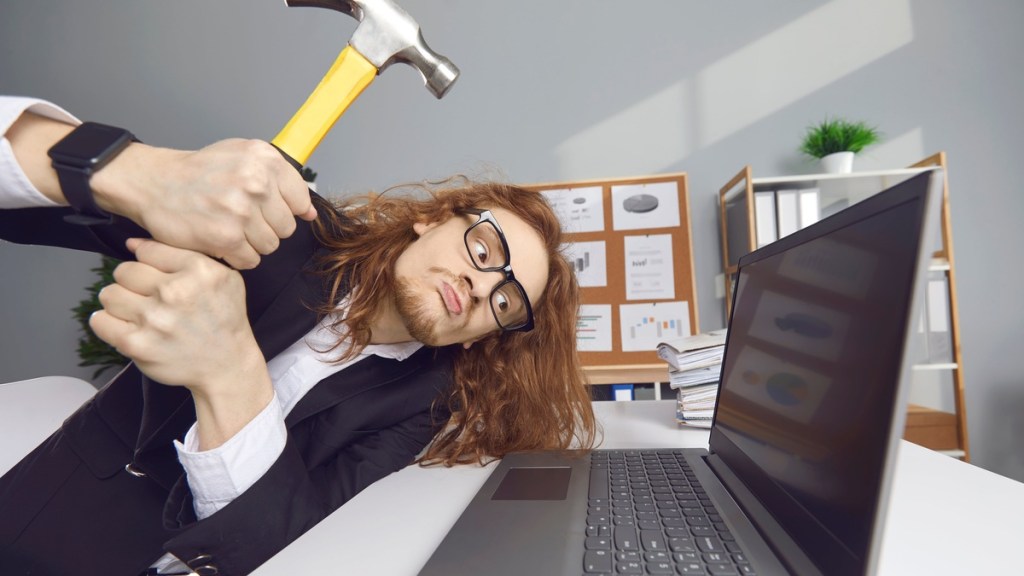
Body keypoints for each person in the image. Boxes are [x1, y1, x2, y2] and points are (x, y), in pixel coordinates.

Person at [0, 96, 596, 575]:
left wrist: (229, 370)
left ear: (483, 335)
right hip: (52, 525)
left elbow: (295, 538)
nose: (478, 282)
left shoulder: (427, 400)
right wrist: (137, 172)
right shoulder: (282, 225)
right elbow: (27, 203)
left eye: (505, 300)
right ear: (432, 220)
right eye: (483, 248)